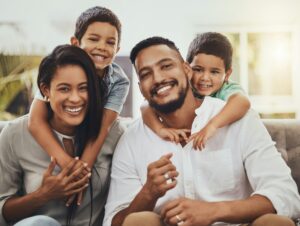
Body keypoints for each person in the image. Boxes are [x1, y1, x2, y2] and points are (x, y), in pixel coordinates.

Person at [103, 37, 300, 226]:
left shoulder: (239, 120)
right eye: (146, 74)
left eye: (166, 66)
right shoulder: (132, 140)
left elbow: (286, 195)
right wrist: (148, 193)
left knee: (276, 223)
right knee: (137, 222)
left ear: (187, 69)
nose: (158, 78)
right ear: (141, 88)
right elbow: (114, 222)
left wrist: (214, 211)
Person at [0, 45, 124, 226]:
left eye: (83, 88)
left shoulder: (115, 133)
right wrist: (42, 195)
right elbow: (2, 209)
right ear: (46, 91)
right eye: (64, 89)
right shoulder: (14, 135)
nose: (75, 98)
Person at [28, 6, 129, 205]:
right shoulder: (57, 66)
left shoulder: (119, 81)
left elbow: (102, 128)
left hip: (90, 131)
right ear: (75, 42)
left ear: (117, 50)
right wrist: (67, 166)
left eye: (110, 42)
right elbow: (35, 121)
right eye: (93, 39)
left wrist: (81, 175)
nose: (102, 46)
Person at [141, 32, 250, 150]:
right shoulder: (183, 88)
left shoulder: (226, 88)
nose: (205, 78)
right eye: (198, 70)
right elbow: (146, 106)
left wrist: (212, 126)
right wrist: (160, 129)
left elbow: (243, 102)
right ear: (187, 69)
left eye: (214, 72)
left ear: (227, 74)